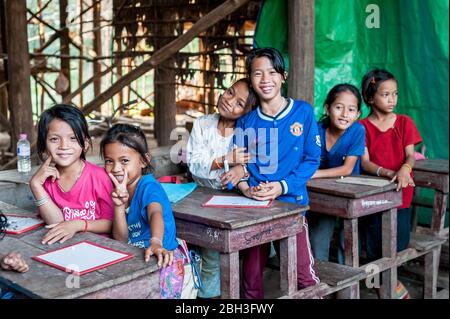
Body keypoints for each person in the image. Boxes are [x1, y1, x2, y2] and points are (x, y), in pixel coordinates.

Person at [234, 47, 321, 298]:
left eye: (272, 72)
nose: (265, 80)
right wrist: (246, 188)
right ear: (250, 79)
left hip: (291, 206)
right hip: (254, 212)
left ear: (283, 76)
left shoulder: (302, 112)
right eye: (257, 73)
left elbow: (312, 159)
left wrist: (282, 186)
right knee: (250, 280)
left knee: (304, 277)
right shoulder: (247, 122)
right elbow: (239, 167)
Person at [186, 78, 257, 298]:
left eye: (239, 103)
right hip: (199, 197)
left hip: (233, 200)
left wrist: (241, 170)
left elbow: (256, 164)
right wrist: (226, 159)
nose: (229, 101)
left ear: (247, 112)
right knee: (207, 252)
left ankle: (217, 292)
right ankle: (207, 294)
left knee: (222, 253)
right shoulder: (203, 124)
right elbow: (194, 164)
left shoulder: (247, 131)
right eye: (229, 92)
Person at [101, 124, 185, 299]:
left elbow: (156, 213)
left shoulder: (149, 186)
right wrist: (118, 206)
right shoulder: (117, 190)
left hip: (163, 258)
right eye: (109, 161)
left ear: (143, 161)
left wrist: (155, 242)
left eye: (124, 161)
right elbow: (121, 239)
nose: (116, 168)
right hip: (138, 258)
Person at [360, 69, 422, 299]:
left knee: (398, 243)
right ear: (370, 98)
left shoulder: (405, 123)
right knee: (374, 246)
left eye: (395, 94)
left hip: (400, 194)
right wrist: (387, 172)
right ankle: (384, 289)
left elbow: (411, 155)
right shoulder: (362, 127)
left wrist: (405, 168)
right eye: (385, 94)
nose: (392, 99)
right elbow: (365, 162)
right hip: (373, 197)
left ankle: (387, 283)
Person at [30, 104, 114, 245]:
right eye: (54, 139)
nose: (64, 146)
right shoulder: (47, 180)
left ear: (85, 143)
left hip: (99, 249)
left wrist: (77, 225)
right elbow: (56, 224)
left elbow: (112, 224)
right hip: (64, 248)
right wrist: (35, 185)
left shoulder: (100, 177)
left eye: (73, 138)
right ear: (44, 144)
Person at [308, 84, 365, 263]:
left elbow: (347, 169)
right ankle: (319, 282)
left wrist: (314, 174)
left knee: (347, 239)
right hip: (324, 193)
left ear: (357, 114)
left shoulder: (357, 130)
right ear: (327, 108)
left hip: (351, 193)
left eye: (351, 109)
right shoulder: (316, 130)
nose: (344, 114)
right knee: (318, 238)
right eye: (339, 107)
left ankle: (347, 286)